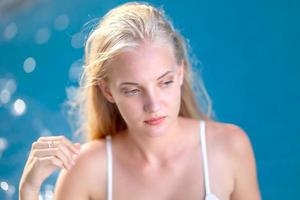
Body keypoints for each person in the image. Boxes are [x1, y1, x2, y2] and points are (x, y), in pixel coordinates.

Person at [19, 2, 261, 200]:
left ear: (180, 73)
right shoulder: (87, 170)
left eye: (164, 82)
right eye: (133, 90)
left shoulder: (229, 148)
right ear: (108, 91)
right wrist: (28, 191)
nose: (153, 105)